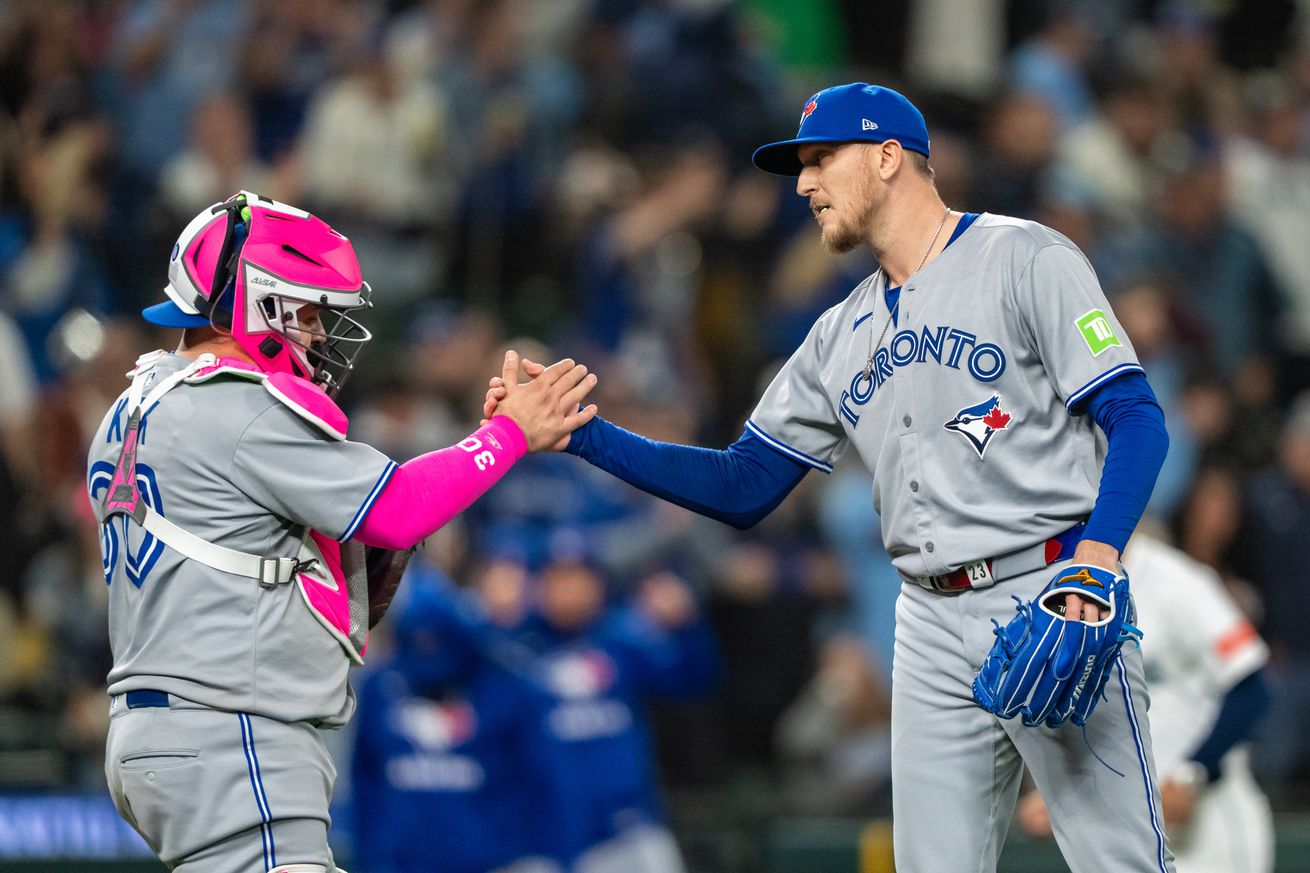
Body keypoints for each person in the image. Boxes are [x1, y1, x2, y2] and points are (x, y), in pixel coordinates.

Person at [485, 83, 1172, 871]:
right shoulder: (837, 334)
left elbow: (1135, 414)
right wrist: (586, 436)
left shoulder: (1024, 256)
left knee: (1125, 864)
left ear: (887, 158)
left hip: (1050, 588)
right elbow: (744, 484)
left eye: (821, 160)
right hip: (927, 622)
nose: (804, 183)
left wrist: (1099, 555)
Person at [88, 191, 597, 873]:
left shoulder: (132, 407)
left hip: (164, 726)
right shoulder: (238, 404)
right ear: (256, 300)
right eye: (303, 310)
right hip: (231, 726)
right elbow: (398, 509)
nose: (319, 333)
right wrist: (507, 435)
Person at [1016, 532, 1273, 873]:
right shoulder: (1060, 586)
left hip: (1209, 821)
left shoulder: (1177, 579)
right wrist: (1062, 792)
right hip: (1125, 816)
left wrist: (1191, 774)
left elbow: (1250, 688)